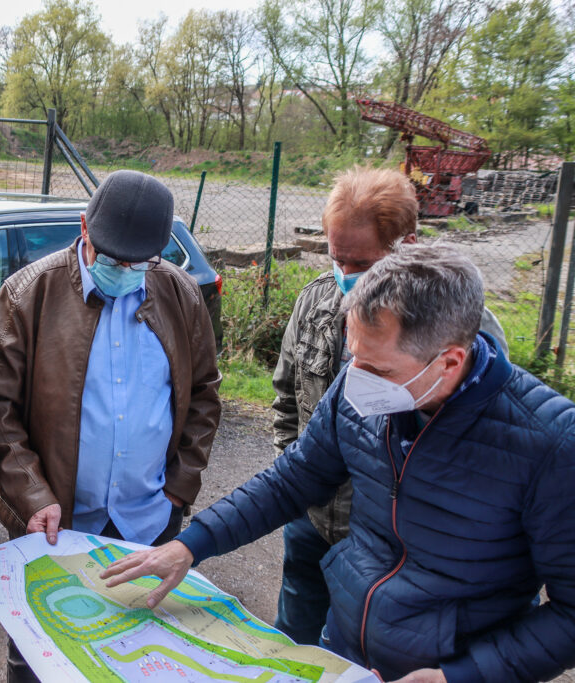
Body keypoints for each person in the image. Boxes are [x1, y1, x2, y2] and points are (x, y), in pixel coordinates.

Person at [102, 244, 575, 683]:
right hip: (344, 650)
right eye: (355, 359)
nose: (358, 381)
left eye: (380, 371)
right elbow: (290, 482)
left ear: (450, 362)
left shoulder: (550, 444)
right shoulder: (360, 384)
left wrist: (463, 676)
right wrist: (190, 546)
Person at [0, 169, 222, 682]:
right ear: (84, 228)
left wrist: (181, 485)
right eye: (112, 259)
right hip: (55, 527)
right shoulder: (28, 293)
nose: (127, 269)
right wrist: (32, 494)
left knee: (134, 656)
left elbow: (203, 394)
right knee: (42, 659)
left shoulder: (178, 293)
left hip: (150, 520)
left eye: (141, 261)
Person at [271, 167, 508, 645]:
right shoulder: (315, 302)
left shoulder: (462, 326)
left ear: (408, 245)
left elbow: (485, 448)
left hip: (397, 549)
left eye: (361, 263)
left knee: (366, 654)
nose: (346, 276)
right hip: (313, 522)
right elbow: (286, 401)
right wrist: (298, 481)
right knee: (291, 643)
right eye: (336, 258)